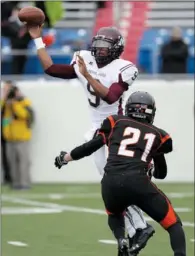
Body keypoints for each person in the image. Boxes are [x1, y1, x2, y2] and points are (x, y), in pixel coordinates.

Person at [27, 25, 154, 253]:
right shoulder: (84, 58)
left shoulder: (124, 68)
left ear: (116, 49)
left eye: (105, 47)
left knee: (115, 182)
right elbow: (50, 68)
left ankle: (141, 227)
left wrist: (86, 75)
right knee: (110, 182)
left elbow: (111, 96)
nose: (99, 50)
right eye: (97, 45)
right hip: (97, 128)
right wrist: (37, 39)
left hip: (116, 127)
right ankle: (136, 229)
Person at [54, 91, 186, 256]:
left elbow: (91, 146)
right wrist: (155, 156)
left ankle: (120, 239)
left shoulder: (115, 121)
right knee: (174, 224)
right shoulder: (159, 135)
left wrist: (65, 158)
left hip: (110, 182)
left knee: (115, 214)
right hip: (138, 182)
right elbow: (161, 174)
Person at [1, 83, 34, 189]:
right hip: (9, 138)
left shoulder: (23, 102)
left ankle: (24, 183)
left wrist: (14, 103)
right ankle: (15, 183)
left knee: (23, 161)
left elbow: (24, 115)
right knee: (12, 162)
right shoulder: (5, 104)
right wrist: (4, 99)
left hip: (22, 137)